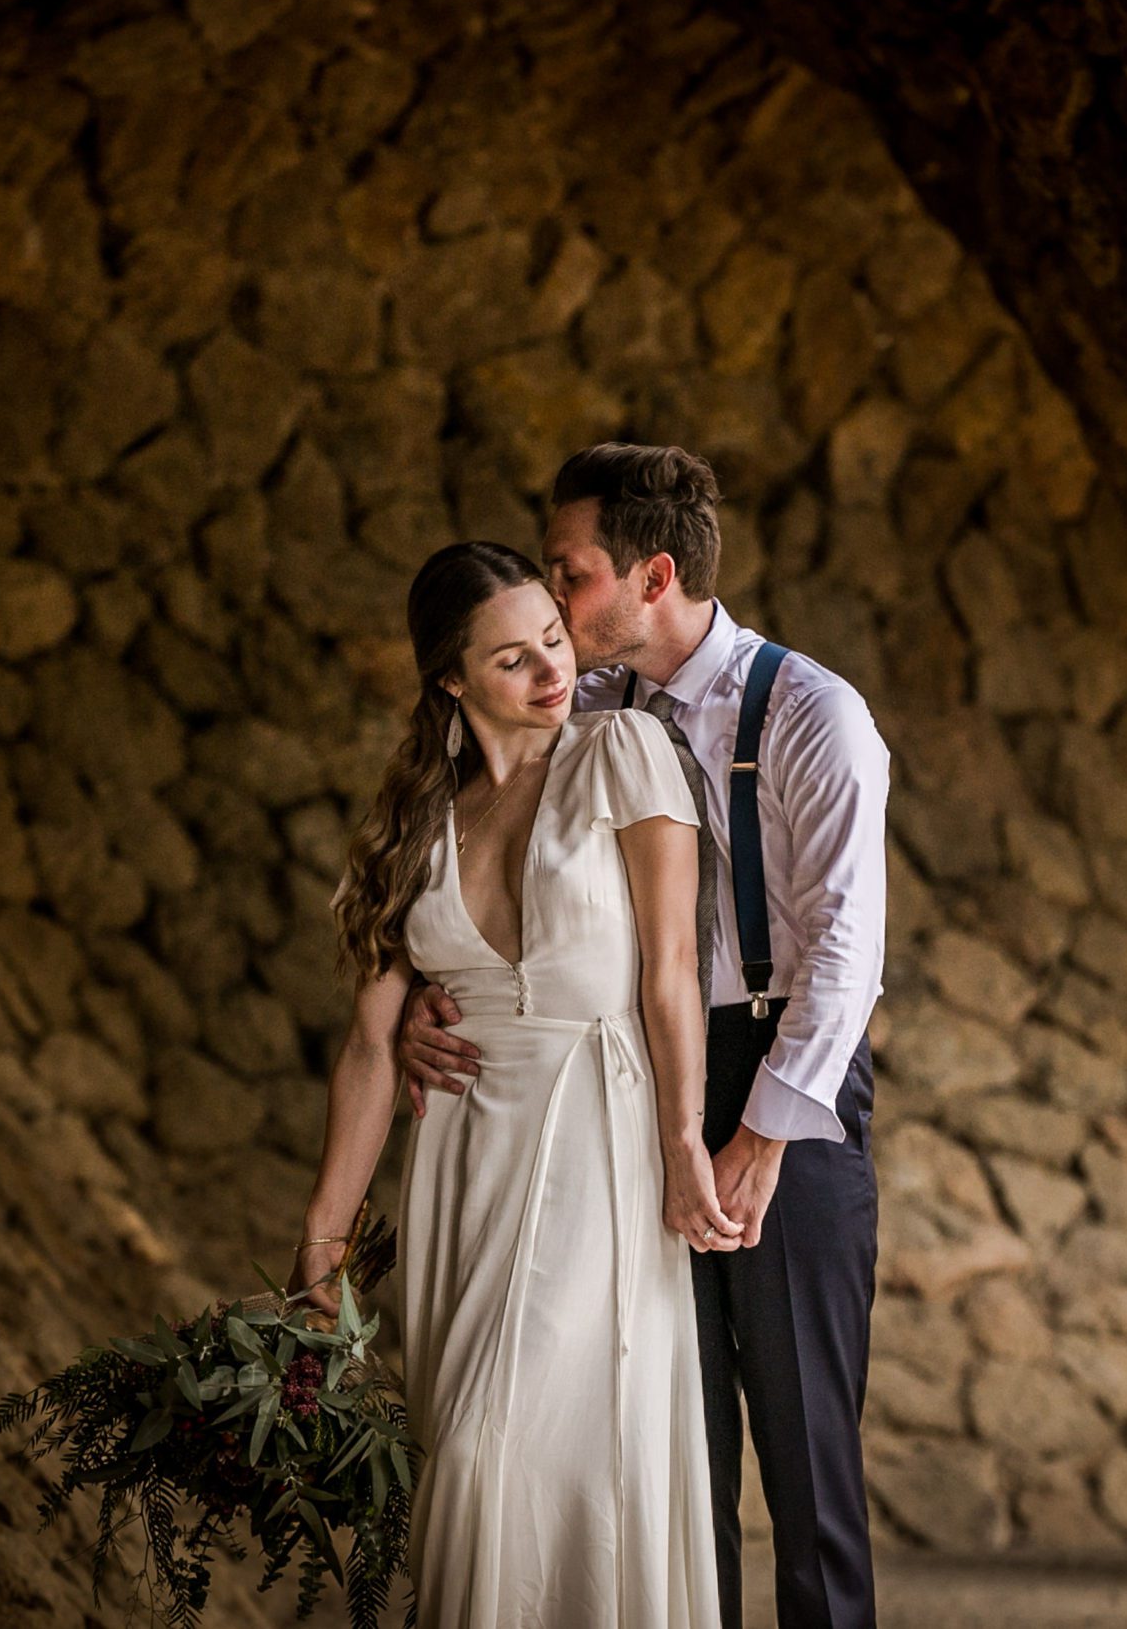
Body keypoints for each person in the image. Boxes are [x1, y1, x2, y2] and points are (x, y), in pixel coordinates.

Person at [395, 443, 889, 1629]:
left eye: (570, 576)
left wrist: (760, 1141)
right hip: (629, 1094)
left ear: (650, 574)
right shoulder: (582, 710)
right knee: (672, 1453)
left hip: (781, 1088)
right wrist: (436, 991)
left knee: (807, 1450)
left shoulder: (812, 712)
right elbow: (507, 873)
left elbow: (844, 952)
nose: (552, 605)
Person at [290, 538, 744, 1629]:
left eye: (555, 639)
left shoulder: (623, 749)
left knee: (513, 1443)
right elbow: (367, 1047)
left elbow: (670, 968)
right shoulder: (415, 824)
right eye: (513, 660)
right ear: (449, 679)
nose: (552, 673)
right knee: (461, 1452)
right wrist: (323, 1242)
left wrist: (684, 1145)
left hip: (600, 1134)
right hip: (463, 1160)